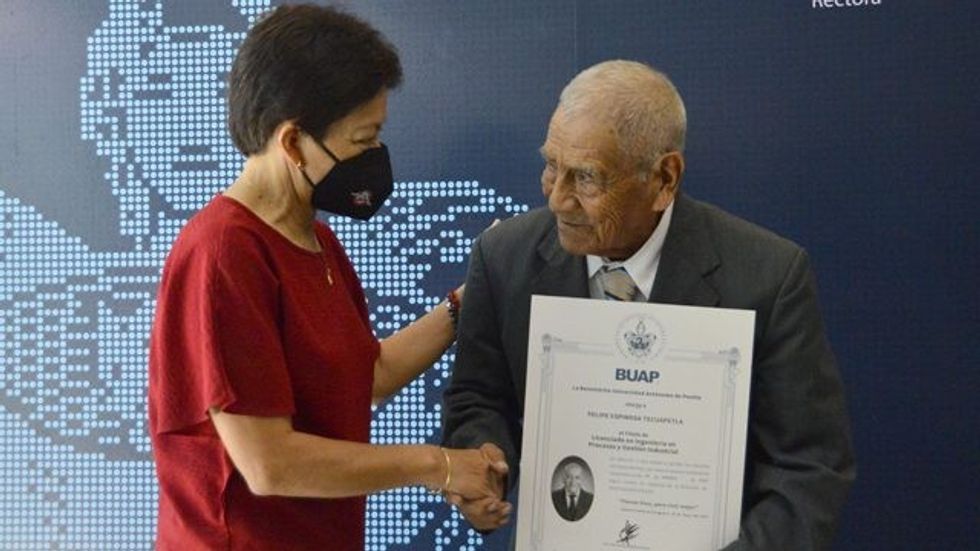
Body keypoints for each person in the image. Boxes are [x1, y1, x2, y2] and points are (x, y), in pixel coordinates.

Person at [441, 60, 856, 550]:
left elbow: (808, 467)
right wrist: (487, 465)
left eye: (587, 178)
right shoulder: (502, 257)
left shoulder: (768, 276)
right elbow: (478, 398)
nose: (558, 200)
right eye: (552, 166)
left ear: (664, 178)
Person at [147, 5, 505, 550]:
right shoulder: (224, 254)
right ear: (293, 143)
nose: (375, 156)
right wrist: (438, 465)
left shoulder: (317, 240)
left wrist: (466, 301)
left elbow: (366, 374)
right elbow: (269, 463)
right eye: (363, 140)